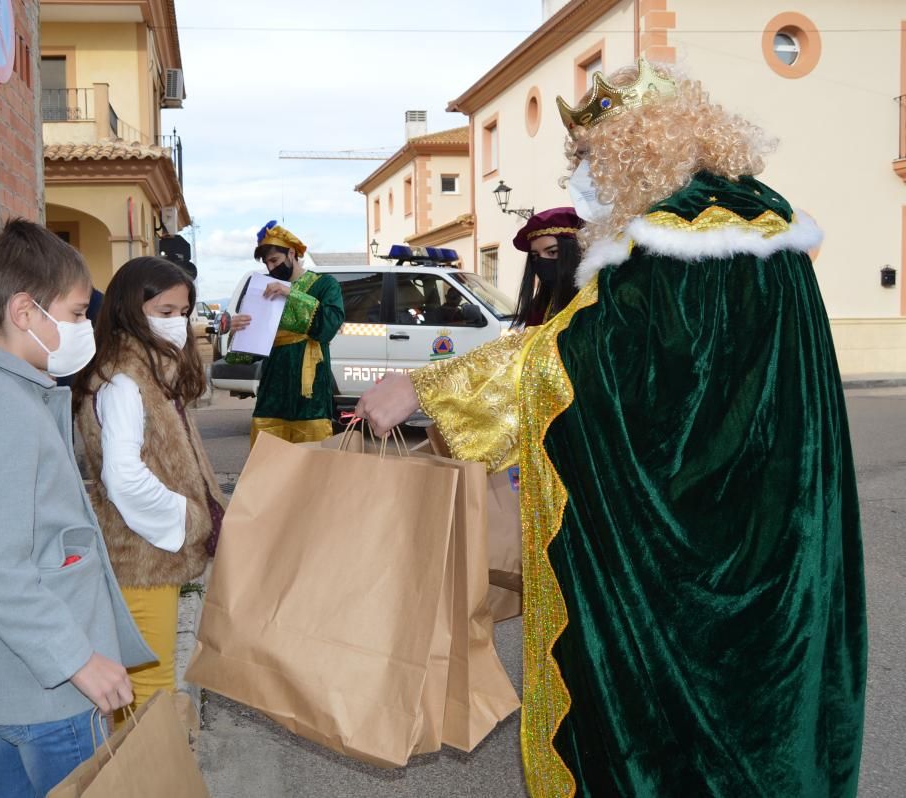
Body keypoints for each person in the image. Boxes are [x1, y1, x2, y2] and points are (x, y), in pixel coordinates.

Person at [356, 58, 865, 797]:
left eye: (592, 156)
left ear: (637, 147)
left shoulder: (678, 244)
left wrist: (424, 387)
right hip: (771, 526)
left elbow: (579, 359)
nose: (583, 178)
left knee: (685, 730)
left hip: (695, 554)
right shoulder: (767, 227)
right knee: (766, 711)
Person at [0, 219, 155, 797]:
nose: (87, 327)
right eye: (79, 313)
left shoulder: (7, 393)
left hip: (27, 682)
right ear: (26, 312)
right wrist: (79, 660)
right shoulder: (0, 408)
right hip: (50, 687)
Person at [72, 257, 226, 714]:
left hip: (153, 548)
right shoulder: (124, 379)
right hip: (141, 554)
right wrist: (187, 517)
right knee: (148, 685)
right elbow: (122, 476)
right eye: (164, 312)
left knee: (146, 682)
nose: (178, 324)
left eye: (183, 313)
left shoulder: (151, 371)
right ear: (129, 311)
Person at [230, 220, 345, 445]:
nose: (271, 268)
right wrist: (237, 331)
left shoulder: (325, 285)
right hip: (272, 390)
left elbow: (328, 326)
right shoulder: (263, 292)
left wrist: (290, 293)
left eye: (275, 260)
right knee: (267, 462)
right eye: (267, 263)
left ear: (291, 253)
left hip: (310, 392)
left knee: (310, 465)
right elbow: (244, 355)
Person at [511, 207, 583, 328]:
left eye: (552, 252)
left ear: (574, 251)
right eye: (535, 255)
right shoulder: (538, 307)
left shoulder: (598, 301)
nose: (542, 262)